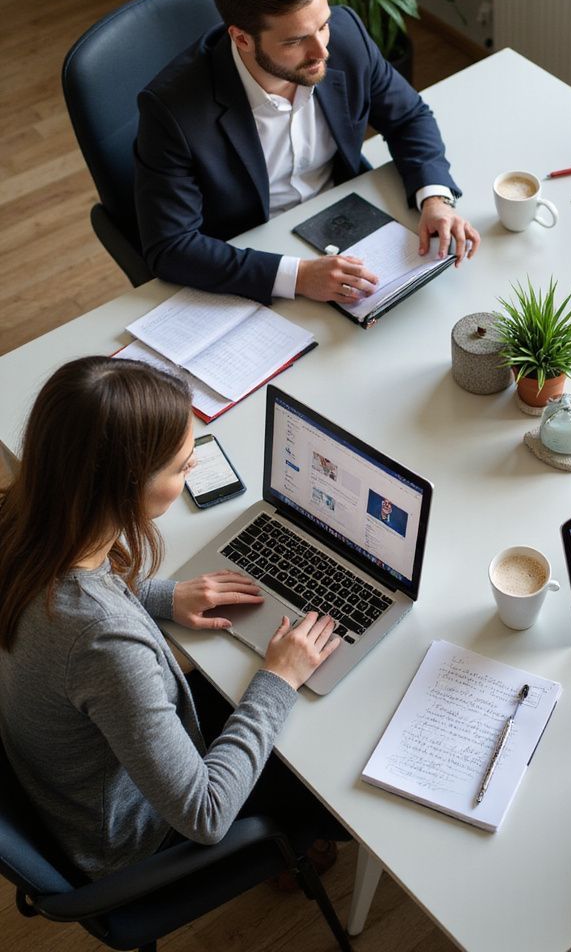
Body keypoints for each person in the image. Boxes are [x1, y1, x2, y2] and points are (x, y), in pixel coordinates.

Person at [0, 357, 343, 879]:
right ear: (126, 483)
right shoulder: (101, 642)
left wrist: (160, 597)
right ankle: (296, 851)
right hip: (137, 833)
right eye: (183, 466)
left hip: (60, 773)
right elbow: (204, 814)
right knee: (328, 780)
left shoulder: (20, 516)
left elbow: (70, 602)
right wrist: (279, 678)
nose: (192, 473)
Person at [134, 0, 480, 306]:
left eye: (322, 25)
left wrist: (435, 199)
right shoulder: (171, 110)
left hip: (348, 220)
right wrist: (297, 277)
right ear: (242, 38)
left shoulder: (346, 37)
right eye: (295, 40)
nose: (322, 50)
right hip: (253, 259)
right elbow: (170, 246)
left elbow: (409, 116)